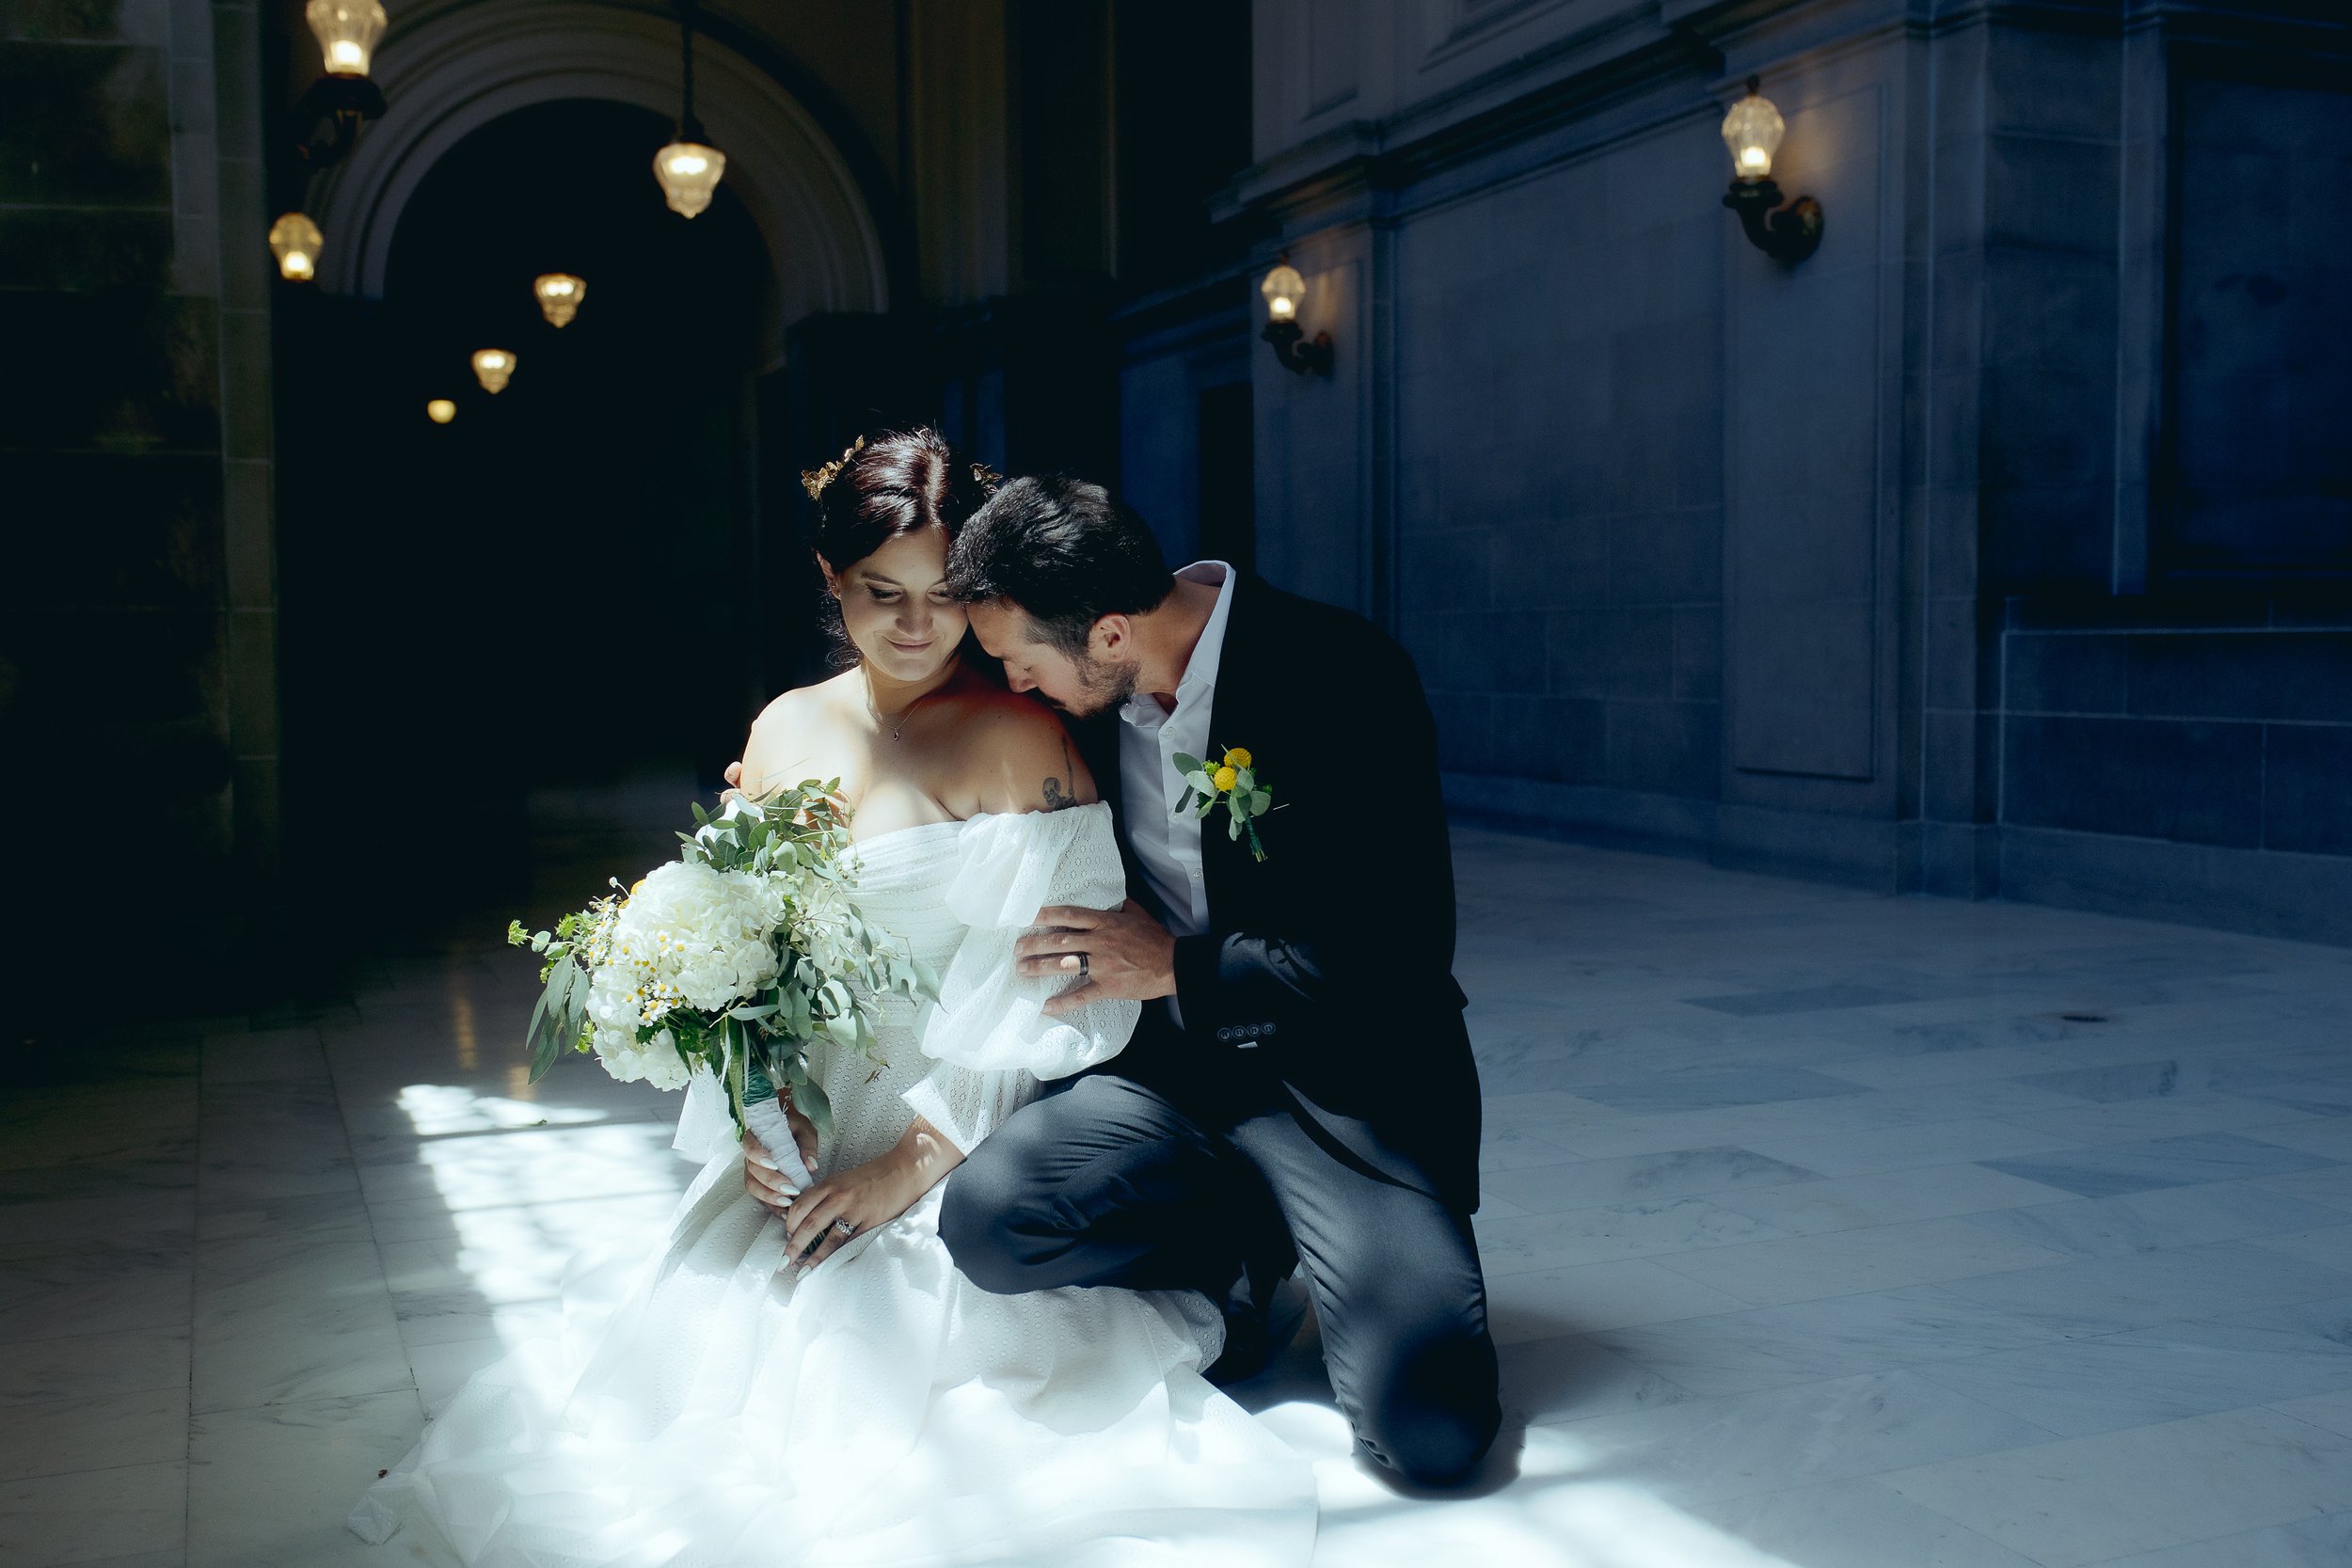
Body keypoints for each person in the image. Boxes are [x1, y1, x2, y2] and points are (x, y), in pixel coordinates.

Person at [350, 432, 1316, 1567]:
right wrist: (765, 1111)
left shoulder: (1025, 738)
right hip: (822, 1109)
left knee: (903, 1376)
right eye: (879, 594)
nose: (916, 628)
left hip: (966, 1116)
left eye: (944, 597)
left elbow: (1050, 994)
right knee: (687, 1388)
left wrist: (909, 1158)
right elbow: (743, 969)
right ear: (829, 581)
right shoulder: (780, 731)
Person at [933, 474, 1502, 1487]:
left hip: (1345, 1083)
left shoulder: (1342, 669)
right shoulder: (1089, 701)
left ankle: (1305, 1227)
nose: (1014, 687)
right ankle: (1245, 1242)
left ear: (1108, 635)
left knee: (1432, 1434)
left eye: (1022, 662)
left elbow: (1402, 948)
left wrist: (1178, 964)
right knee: (990, 1218)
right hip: (1170, 1077)